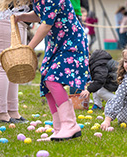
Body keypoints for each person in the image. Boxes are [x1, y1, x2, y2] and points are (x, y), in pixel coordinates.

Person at [12, 0, 90, 141]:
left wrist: (29, 48)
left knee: (52, 79)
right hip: (57, 43)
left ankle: (70, 124)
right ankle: (59, 128)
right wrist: (22, 17)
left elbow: (46, 24)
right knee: (46, 80)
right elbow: (40, 14)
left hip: (71, 42)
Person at [0, 0, 29, 123]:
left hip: (15, 13)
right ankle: (1, 112)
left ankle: (12, 110)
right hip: (1, 13)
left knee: (14, 64)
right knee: (2, 64)